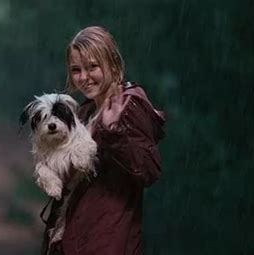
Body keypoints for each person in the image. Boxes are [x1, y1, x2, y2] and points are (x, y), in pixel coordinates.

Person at [41, 26, 166, 255]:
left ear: (113, 64)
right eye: (76, 70)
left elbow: (148, 169)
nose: (84, 77)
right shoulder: (83, 113)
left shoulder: (129, 105)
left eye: (92, 67)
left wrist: (112, 132)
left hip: (107, 242)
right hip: (74, 239)